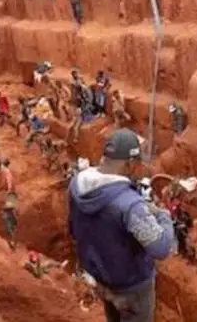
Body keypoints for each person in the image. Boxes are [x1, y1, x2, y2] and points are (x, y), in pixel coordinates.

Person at [68, 128, 175, 322]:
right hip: (131, 288)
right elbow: (161, 247)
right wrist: (163, 216)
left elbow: (73, 230)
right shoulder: (129, 205)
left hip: (100, 277)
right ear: (130, 163)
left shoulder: (76, 184)